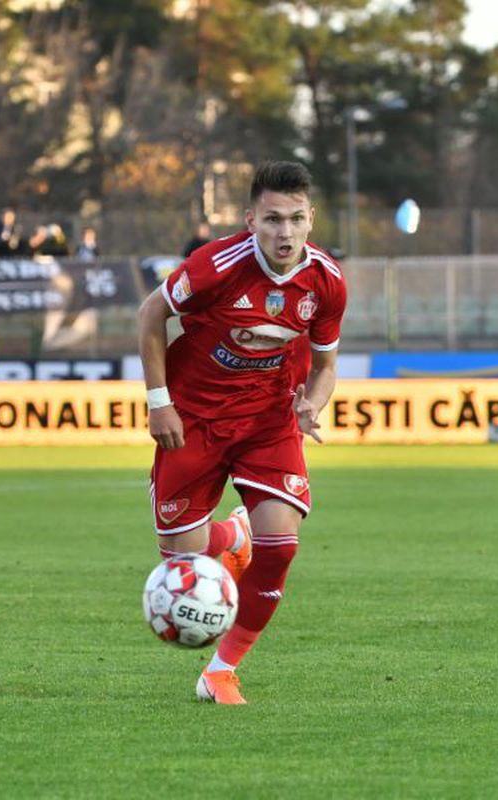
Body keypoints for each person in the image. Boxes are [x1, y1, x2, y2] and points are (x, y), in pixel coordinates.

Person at [137, 161, 347, 704]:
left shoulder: (326, 281)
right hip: (194, 420)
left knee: (280, 547)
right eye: (273, 220)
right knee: (180, 562)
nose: (285, 233)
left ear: (311, 218)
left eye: (296, 219)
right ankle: (228, 539)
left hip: (268, 420)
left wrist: (313, 407)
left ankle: (221, 670)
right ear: (251, 219)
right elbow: (149, 315)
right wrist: (159, 403)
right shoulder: (215, 265)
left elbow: (324, 366)